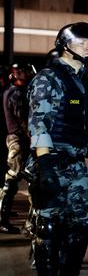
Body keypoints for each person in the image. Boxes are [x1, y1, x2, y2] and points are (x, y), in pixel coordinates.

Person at [27, 22, 88, 276]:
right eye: (84, 41)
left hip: (74, 165)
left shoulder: (80, 78)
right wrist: (44, 166)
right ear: (66, 44)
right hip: (52, 162)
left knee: (81, 225)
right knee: (48, 229)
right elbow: (39, 123)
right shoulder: (50, 78)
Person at [0, 63, 35, 233]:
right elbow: (23, 120)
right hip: (18, 140)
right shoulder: (16, 93)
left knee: (12, 180)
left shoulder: (11, 91)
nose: (28, 74)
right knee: (13, 180)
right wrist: (34, 138)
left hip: (15, 139)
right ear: (17, 73)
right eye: (25, 71)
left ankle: (3, 218)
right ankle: (3, 219)